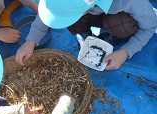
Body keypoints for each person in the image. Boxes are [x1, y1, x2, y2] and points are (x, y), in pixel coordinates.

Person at [16, 0, 157, 70]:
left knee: (124, 25)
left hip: (114, 14)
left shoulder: (129, 1)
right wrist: (30, 41)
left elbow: (150, 27)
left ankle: (113, 35)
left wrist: (125, 52)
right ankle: (83, 31)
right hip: (91, 11)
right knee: (67, 16)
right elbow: (53, 9)